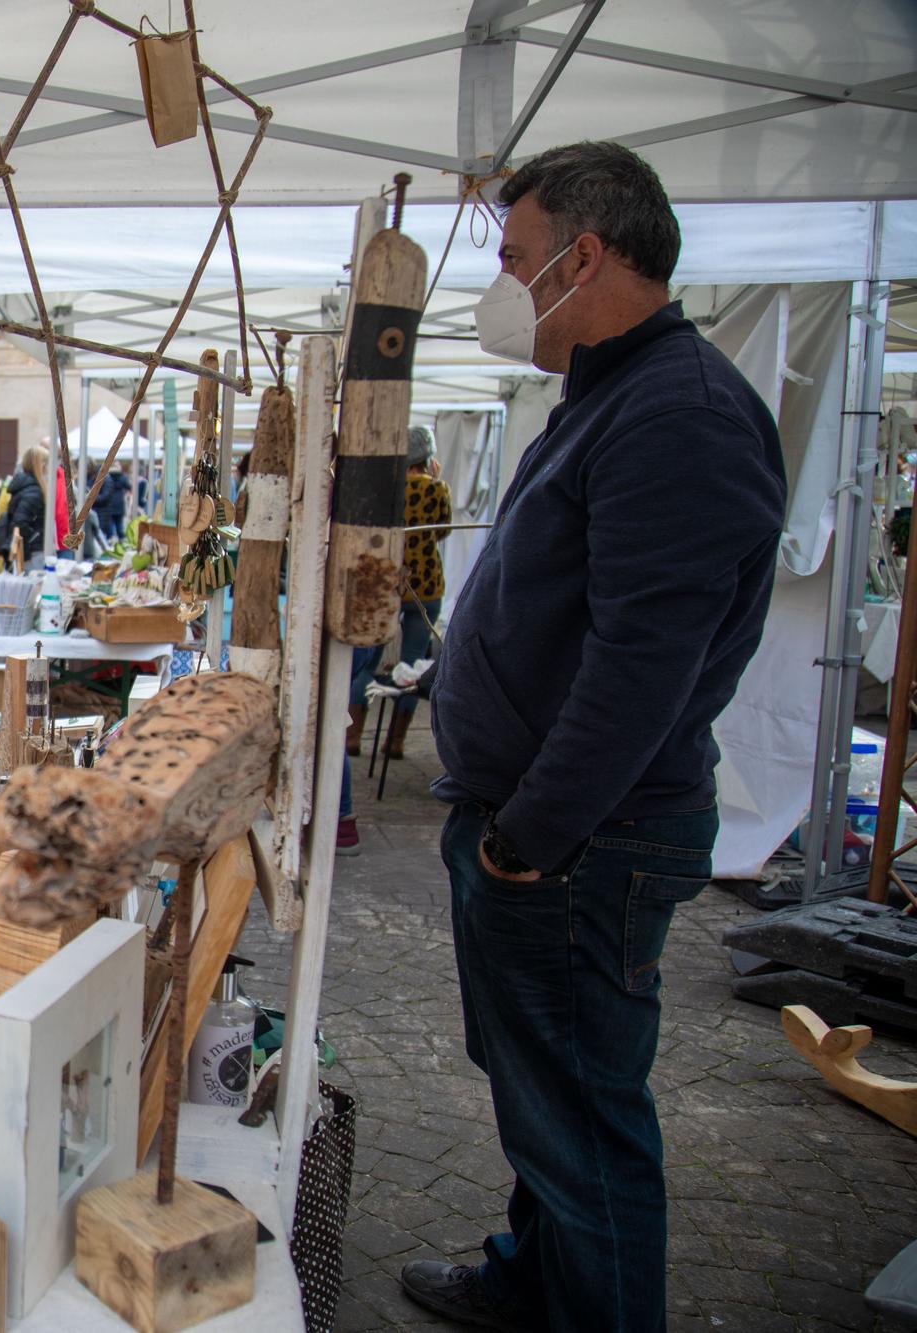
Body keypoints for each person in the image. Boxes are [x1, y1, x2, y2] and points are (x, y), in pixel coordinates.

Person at [403, 142, 786, 1333]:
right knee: (543, 1105)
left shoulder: (677, 412)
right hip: (552, 833)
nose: (502, 282)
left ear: (585, 254)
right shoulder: (608, 394)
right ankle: (532, 1281)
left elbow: (641, 667)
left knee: (583, 1120)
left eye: (514, 257)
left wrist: (528, 837)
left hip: (583, 843)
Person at [389, 426, 451, 758]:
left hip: (390, 580)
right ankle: (395, 741)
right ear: (427, 457)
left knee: (366, 663)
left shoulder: (390, 487)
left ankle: (353, 736)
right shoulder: (437, 490)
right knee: (411, 665)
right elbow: (441, 532)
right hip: (426, 585)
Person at [0, 442, 50, 570]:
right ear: (41, 466)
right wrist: (28, 551)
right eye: (47, 464)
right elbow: (20, 524)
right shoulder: (34, 491)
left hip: (31, 551)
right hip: (31, 553)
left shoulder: (27, 487)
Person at [91, 460, 132, 545]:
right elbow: (128, 486)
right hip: (119, 503)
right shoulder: (122, 477)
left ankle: (112, 539)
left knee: (111, 524)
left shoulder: (107, 477)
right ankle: (121, 541)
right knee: (119, 525)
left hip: (110, 504)